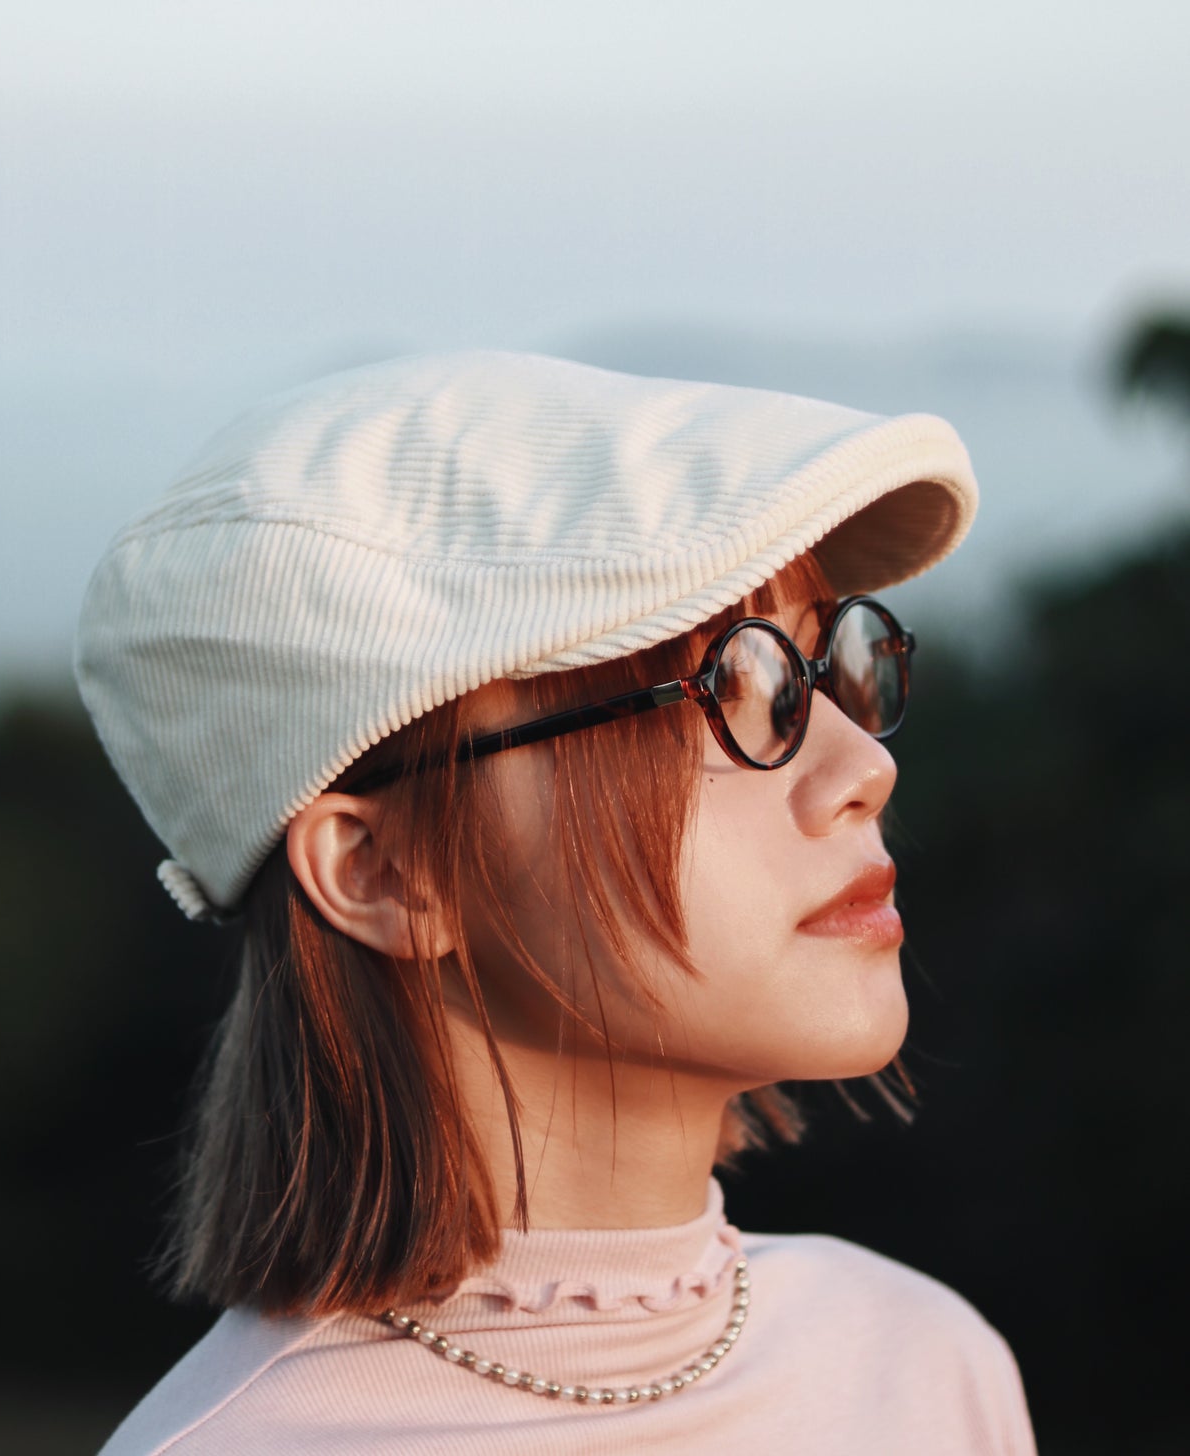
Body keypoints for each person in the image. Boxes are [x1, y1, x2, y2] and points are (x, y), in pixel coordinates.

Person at [75, 350, 1036, 1453]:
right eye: (728, 687)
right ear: (381, 872)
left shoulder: (917, 1362)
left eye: (825, 671)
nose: (861, 761)